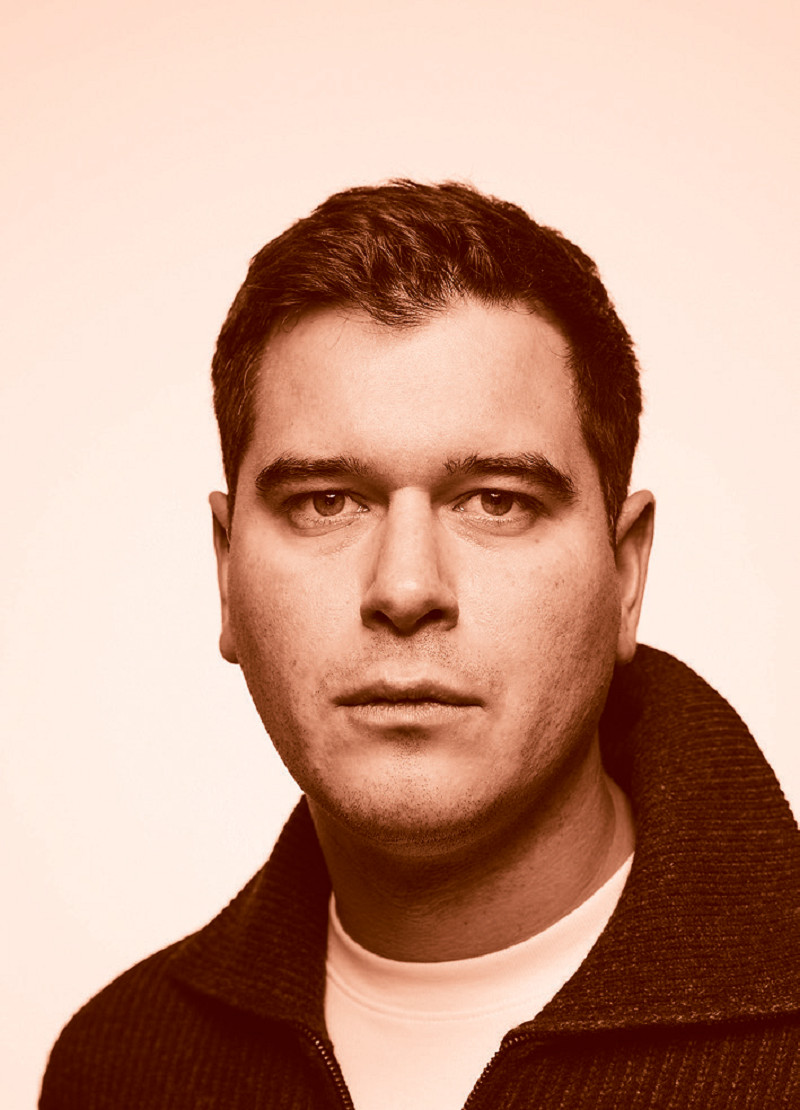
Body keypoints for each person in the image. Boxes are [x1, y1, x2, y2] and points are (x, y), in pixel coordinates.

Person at [40, 181, 800, 1109]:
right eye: (326, 501)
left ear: (626, 573)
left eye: (497, 501)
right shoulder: (117, 1066)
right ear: (227, 571)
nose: (405, 590)